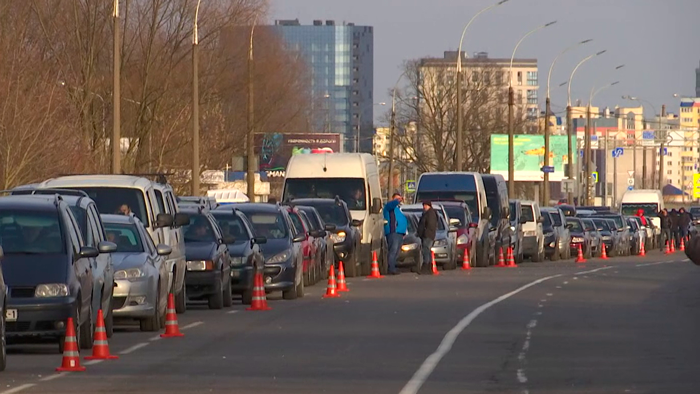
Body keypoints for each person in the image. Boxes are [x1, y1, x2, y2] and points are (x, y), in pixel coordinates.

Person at [383, 193, 407, 275]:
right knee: (393, 250)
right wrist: (398, 200)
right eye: (396, 198)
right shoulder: (389, 207)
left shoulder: (398, 209)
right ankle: (391, 268)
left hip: (399, 233)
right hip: (393, 232)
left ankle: (393, 266)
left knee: (397, 251)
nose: (398, 200)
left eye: (399, 198)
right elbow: (391, 204)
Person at [416, 200, 438, 274]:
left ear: (428, 205)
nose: (424, 207)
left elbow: (429, 225)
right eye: (423, 205)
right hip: (427, 235)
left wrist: (424, 233)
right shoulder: (428, 213)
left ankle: (426, 267)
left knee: (426, 251)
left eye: (425, 205)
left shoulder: (430, 214)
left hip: (427, 235)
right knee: (427, 251)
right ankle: (429, 268)